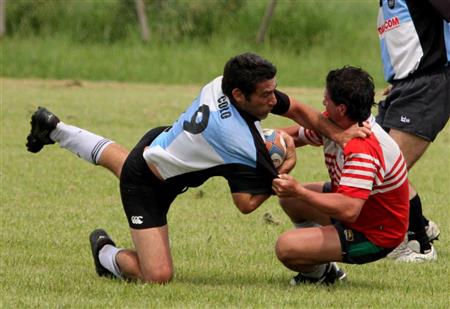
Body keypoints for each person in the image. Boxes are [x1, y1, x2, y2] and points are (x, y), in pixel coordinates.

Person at [26, 53, 368, 284]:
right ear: (239, 94)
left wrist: (339, 134)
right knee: (157, 275)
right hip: (148, 186)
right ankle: (106, 255)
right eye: (265, 95)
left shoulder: (222, 84)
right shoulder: (236, 139)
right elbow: (246, 203)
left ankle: (56, 129)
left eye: (272, 90)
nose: (272, 99)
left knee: (124, 159)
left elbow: (296, 111)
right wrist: (287, 162)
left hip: (163, 148)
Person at [272, 66, 409, 285]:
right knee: (290, 199)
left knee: (287, 247)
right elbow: (296, 135)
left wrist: (299, 190)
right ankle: (321, 265)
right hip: (358, 207)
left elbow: (349, 210)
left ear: (342, 108)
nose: (323, 102)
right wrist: (264, 140)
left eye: (326, 99)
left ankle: (321, 274)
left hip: (376, 233)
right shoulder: (337, 123)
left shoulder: (363, 146)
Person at [375, 0, 450, 262]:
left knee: (388, 169)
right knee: (371, 165)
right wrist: (398, 77)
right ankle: (419, 222)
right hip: (403, 87)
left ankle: (419, 244)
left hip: (428, 85)